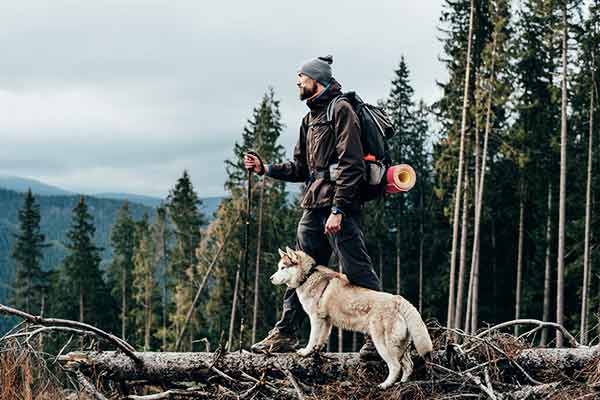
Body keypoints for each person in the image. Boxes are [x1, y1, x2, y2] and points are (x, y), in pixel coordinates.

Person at [244, 55, 380, 359]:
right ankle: (285, 334)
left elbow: (352, 165)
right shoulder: (309, 120)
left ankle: (374, 335)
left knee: (357, 269)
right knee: (298, 272)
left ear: (315, 80)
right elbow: (300, 167)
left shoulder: (341, 110)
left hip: (339, 207)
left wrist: (339, 210)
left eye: (301, 78)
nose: (297, 83)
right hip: (313, 205)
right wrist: (265, 168)